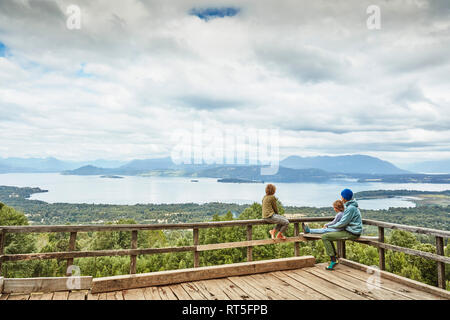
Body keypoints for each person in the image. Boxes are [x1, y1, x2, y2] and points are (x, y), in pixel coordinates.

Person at [321, 188, 362, 270]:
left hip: (352, 233)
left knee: (325, 237)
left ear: (344, 198)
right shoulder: (350, 207)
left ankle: (333, 260)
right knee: (327, 235)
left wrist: (329, 226)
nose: (341, 198)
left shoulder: (350, 208)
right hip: (350, 230)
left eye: (342, 196)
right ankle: (334, 258)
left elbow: (342, 223)